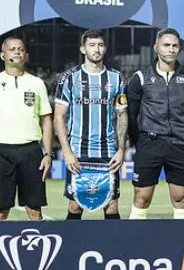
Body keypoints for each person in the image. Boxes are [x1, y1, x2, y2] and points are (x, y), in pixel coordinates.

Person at [0, 36, 53, 221]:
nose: (17, 51)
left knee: (34, 211)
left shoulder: (37, 83)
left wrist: (48, 154)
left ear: (26, 55)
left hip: (31, 151)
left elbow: (46, 121)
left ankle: (40, 247)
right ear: (2, 55)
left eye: (21, 49)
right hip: (0, 151)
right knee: (0, 211)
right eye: (12, 49)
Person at [54, 29, 128, 220]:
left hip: (108, 152)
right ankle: (71, 249)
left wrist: (121, 150)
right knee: (75, 205)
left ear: (105, 49)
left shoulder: (116, 78)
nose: (97, 49)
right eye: (92, 45)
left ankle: (112, 250)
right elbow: (59, 117)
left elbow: (122, 115)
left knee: (111, 205)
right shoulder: (69, 78)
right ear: (83, 49)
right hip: (78, 151)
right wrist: (67, 152)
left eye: (101, 45)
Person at [127, 28, 184, 220]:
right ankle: (134, 243)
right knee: (142, 197)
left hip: (180, 145)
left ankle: (182, 245)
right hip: (150, 143)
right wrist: (139, 141)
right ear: (156, 47)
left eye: (175, 45)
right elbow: (130, 115)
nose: (171, 49)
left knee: (181, 199)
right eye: (166, 45)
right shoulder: (140, 78)